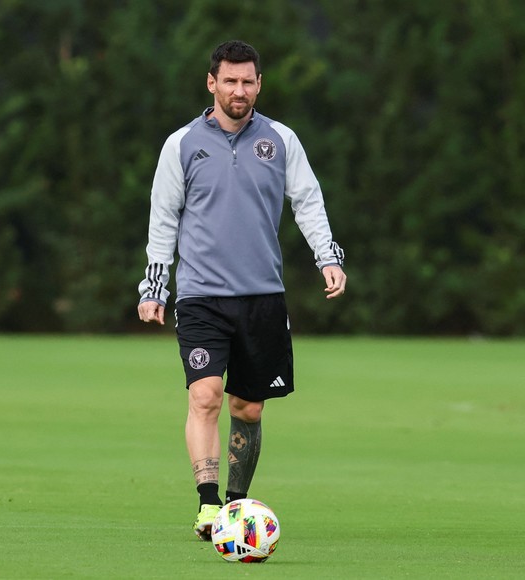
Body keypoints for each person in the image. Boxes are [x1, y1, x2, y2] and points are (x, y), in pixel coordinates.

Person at [136, 40, 346, 541]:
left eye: (248, 81)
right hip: (201, 296)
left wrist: (328, 257)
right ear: (212, 83)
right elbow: (163, 218)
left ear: (258, 84)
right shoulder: (181, 144)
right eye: (229, 81)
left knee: (247, 409)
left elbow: (308, 203)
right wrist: (154, 286)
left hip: (263, 297)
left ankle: (237, 506)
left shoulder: (281, 140)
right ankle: (209, 508)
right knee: (205, 397)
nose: (239, 90)